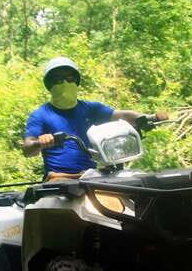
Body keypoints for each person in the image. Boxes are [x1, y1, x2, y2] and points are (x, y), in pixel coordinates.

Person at [22, 57, 162, 181]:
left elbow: (122, 115)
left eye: (70, 79)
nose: (65, 83)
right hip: (58, 178)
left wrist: (147, 118)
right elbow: (28, 148)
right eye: (58, 80)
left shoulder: (91, 108)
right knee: (54, 202)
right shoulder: (40, 115)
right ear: (50, 85)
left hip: (91, 175)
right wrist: (40, 142)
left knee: (132, 187)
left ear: (76, 82)